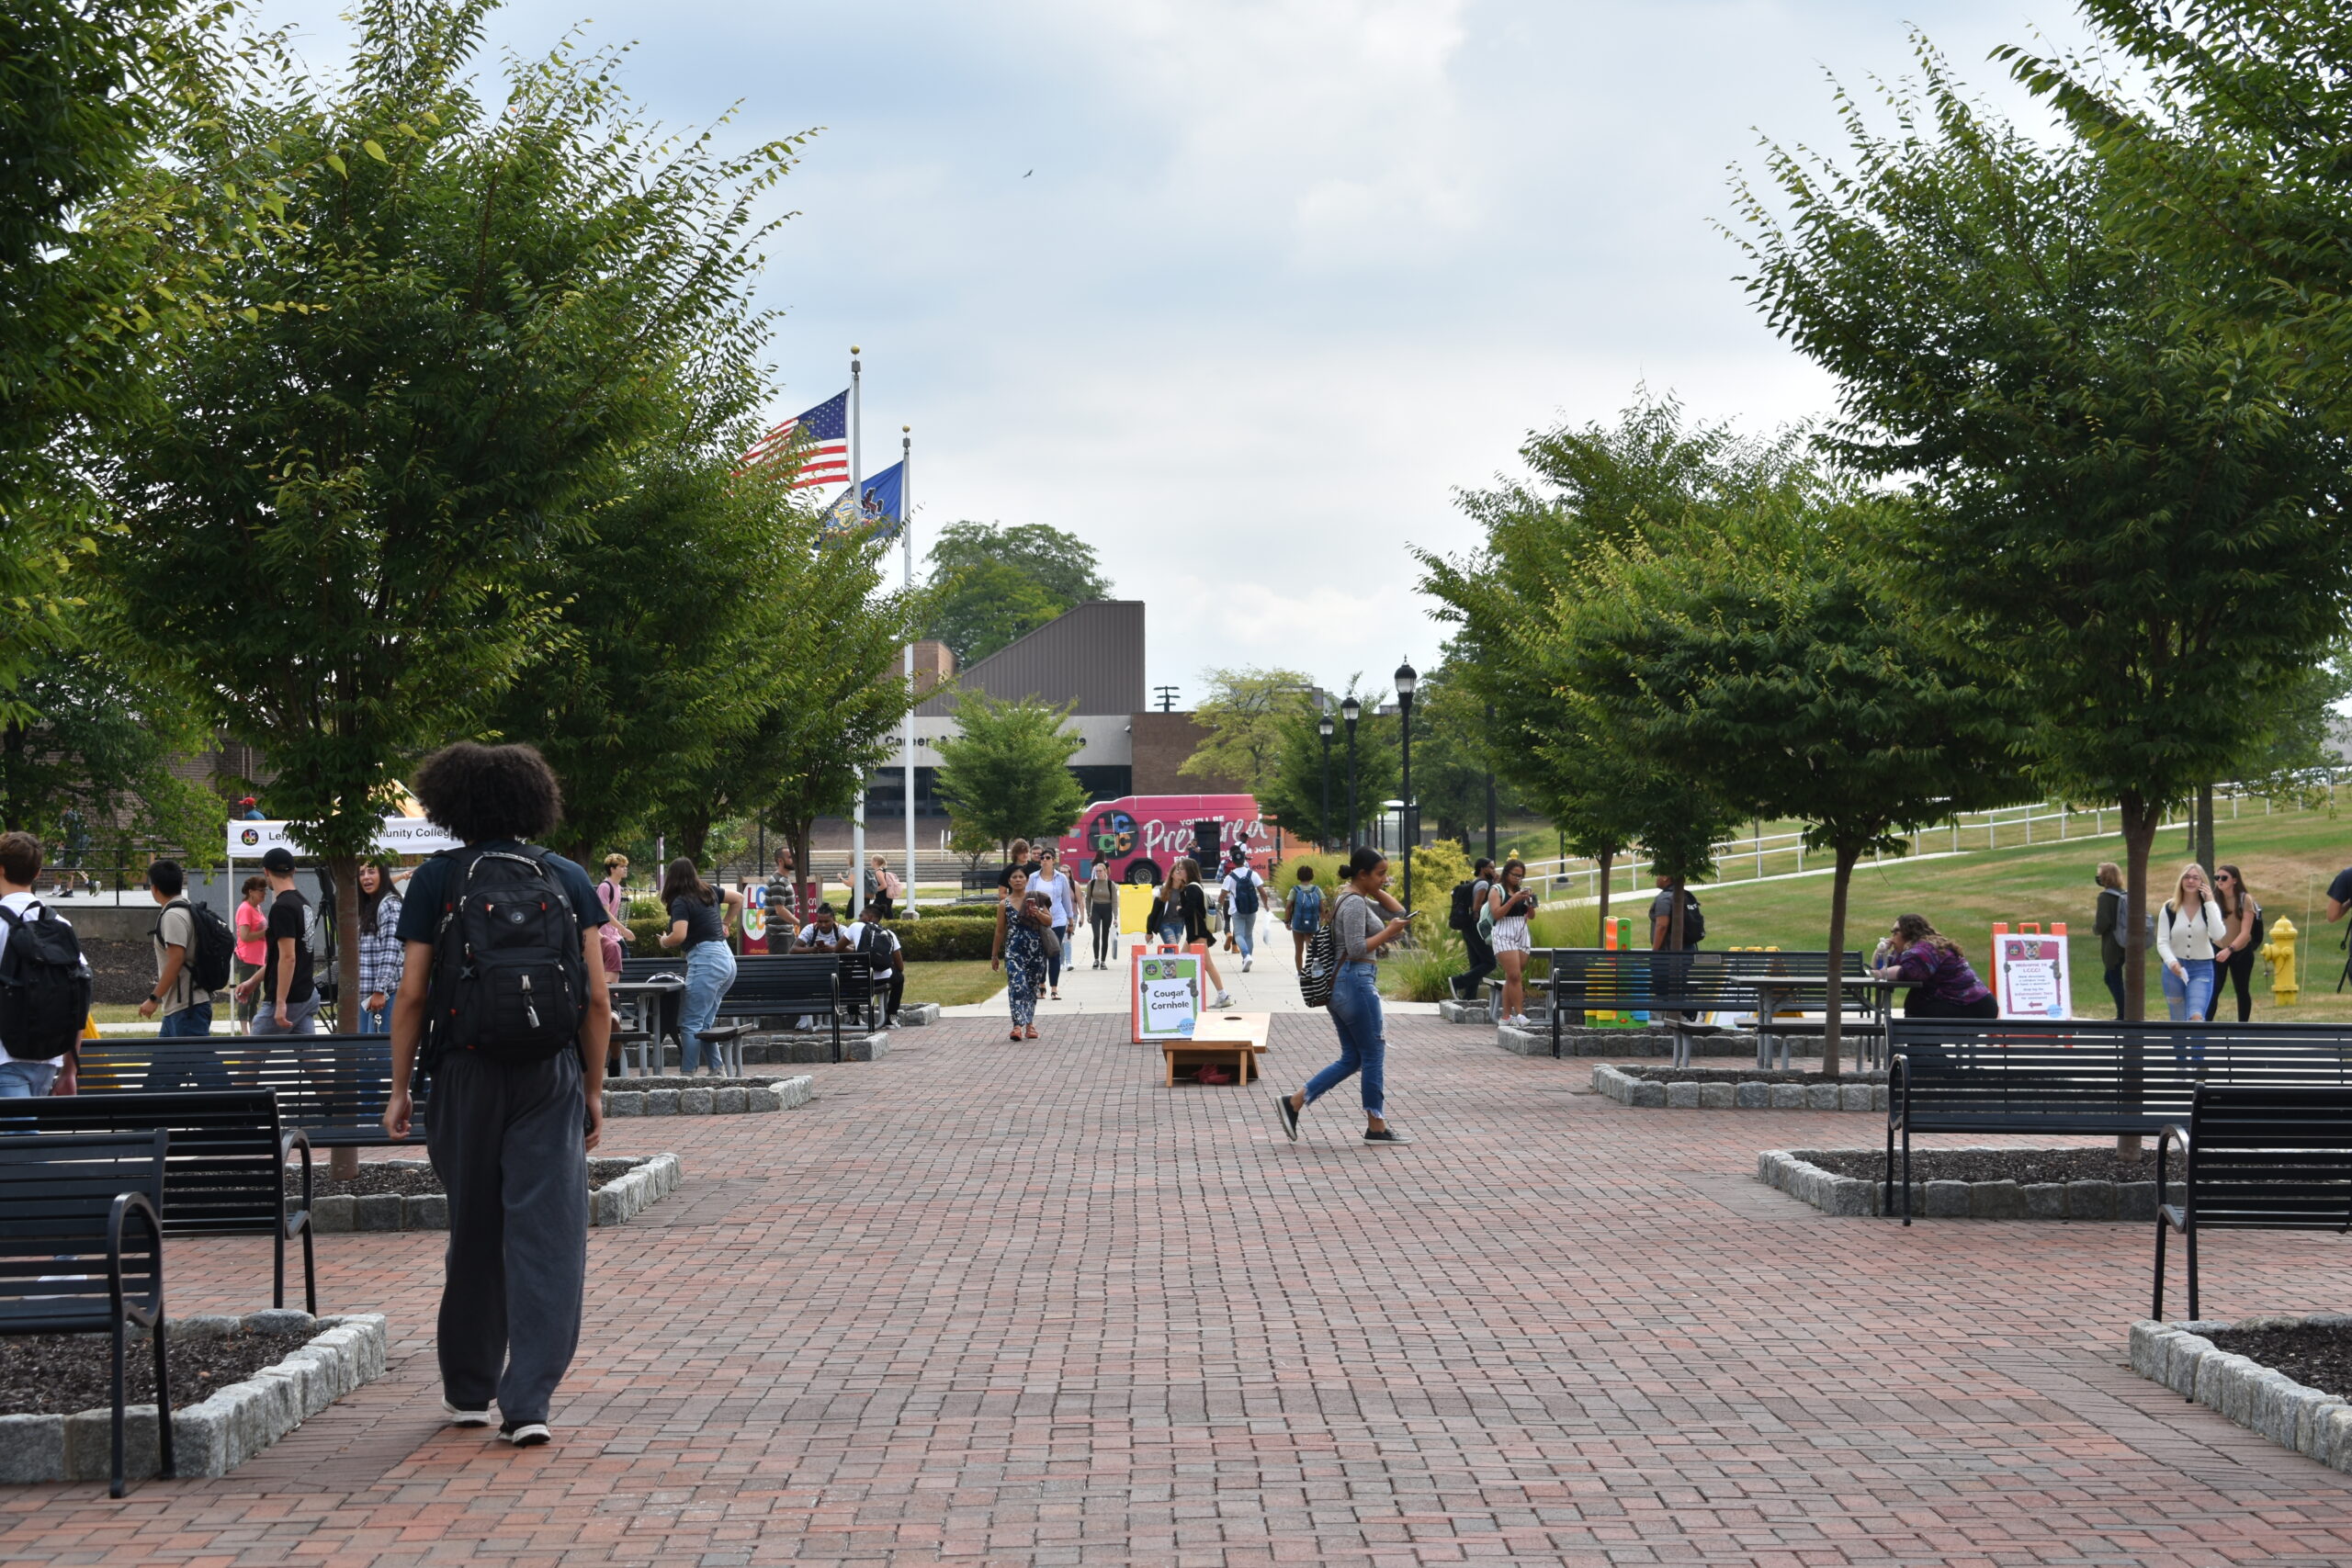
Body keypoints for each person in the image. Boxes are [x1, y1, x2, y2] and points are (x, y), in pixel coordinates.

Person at [381, 740, 610, 1450]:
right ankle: (530, 1398)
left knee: (473, 1227)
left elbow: (413, 993)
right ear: (533, 800)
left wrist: (399, 1087)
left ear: (450, 804)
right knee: (548, 1234)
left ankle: (467, 1386)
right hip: (549, 1072)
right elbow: (599, 1000)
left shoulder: (436, 881)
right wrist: (594, 1089)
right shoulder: (567, 876)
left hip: (465, 1072)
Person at [1271, 847, 1414, 1145]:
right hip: (1355, 982)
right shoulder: (1353, 904)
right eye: (1380, 874)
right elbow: (1358, 947)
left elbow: (1399, 914)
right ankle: (1376, 1125)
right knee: (1373, 1053)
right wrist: (1387, 932)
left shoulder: (1356, 898)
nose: (1386, 880)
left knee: (1353, 1058)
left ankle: (1294, 1103)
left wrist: (1376, 891)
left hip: (1346, 985)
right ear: (1362, 874)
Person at [0, 832, 85, 1098]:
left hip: (4, 1059)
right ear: (38, 873)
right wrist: (70, 1070)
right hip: (47, 1059)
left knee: (21, 1137)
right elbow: (80, 995)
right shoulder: (60, 925)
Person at [659, 859, 741, 1075]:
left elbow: (679, 936)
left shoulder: (680, 901)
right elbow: (738, 899)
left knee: (690, 1023)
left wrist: (664, 941)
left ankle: (688, 1075)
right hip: (727, 959)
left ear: (671, 879)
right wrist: (726, 923)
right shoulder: (709, 890)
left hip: (706, 960)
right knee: (704, 1022)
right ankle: (717, 1070)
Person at [236, 847, 318, 1035]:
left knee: (250, 1058)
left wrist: (280, 1002)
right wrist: (253, 981)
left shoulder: (282, 907)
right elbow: (281, 956)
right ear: (294, 870)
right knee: (310, 1058)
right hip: (306, 994)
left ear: (266, 872)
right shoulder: (303, 903)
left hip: (289, 999)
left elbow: (288, 958)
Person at [138, 860, 214, 1039]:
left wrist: (154, 998)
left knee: (204, 1065)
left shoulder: (173, 915)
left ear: (154, 888)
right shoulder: (187, 907)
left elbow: (176, 959)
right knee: (164, 1067)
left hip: (187, 1008)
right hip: (180, 1006)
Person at [1870, 913, 1997, 1018]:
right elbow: (1884, 967)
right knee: (1918, 1006)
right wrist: (1880, 951)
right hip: (1968, 1003)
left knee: (1919, 1010)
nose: (1892, 937)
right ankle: (1920, 1049)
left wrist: (1881, 973)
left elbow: (1908, 972)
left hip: (1974, 1006)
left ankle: (1919, 1049)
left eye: (1895, 932)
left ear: (1909, 933)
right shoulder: (1915, 950)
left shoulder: (1924, 950)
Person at [2155, 862, 2226, 1022]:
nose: (2191, 881)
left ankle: (2197, 1048)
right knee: (2178, 1019)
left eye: (2196, 878)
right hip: (2174, 969)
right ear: (2181, 881)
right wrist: (2172, 963)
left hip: (2202, 968)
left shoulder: (2210, 908)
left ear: (2203, 883)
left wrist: (2209, 902)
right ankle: (2179, 1048)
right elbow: (2162, 942)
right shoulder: (2169, 908)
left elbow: (2218, 935)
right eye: (2186, 877)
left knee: (2196, 1017)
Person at [991, 867, 1048, 1041]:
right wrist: (995, 955)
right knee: (1017, 985)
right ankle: (1017, 1025)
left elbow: (1049, 920)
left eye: (1021, 877)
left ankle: (1029, 1024)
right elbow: (1000, 931)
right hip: (1014, 950)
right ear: (1009, 882)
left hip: (1035, 950)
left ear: (1026, 880)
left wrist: (1037, 912)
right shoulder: (1004, 904)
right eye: (1014, 877)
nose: (1017, 880)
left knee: (1031, 987)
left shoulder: (1036, 899)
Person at [1171, 856, 1236, 1009]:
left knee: (1207, 964)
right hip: (1193, 934)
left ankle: (1223, 995)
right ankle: (1178, 995)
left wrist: (1180, 911)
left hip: (1198, 933)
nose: (1179, 871)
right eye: (1178, 868)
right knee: (1180, 963)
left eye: (1181, 868)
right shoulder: (1189, 887)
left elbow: (1190, 910)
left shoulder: (1192, 888)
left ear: (1189, 871)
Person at [348, 861, 403, 1034]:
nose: (365, 877)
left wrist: (380, 989)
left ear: (384, 875)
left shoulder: (389, 904)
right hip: (368, 996)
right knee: (366, 1052)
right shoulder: (369, 906)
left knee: (379, 1053)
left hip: (385, 994)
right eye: (361, 873)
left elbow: (391, 949)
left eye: (371, 872)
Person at [2206, 863, 2263, 1023]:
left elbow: (2245, 933)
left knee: (2242, 990)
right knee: (2214, 989)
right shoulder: (2212, 898)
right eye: (2217, 878)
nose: (2220, 881)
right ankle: (2204, 1028)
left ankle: (2242, 1028)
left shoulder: (2245, 899)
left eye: (2224, 878)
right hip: (2218, 949)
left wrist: (2230, 949)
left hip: (2240, 951)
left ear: (2235, 880)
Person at [1487, 860, 1539, 1028]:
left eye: (1521, 876)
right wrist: (1513, 900)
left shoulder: (1521, 891)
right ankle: (1520, 1014)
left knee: (1512, 976)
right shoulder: (1497, 890)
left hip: (1521, 930)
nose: (1518, 879)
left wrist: (1530, 902)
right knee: (1515, 975)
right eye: (1515, 875)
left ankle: (1505, 1017)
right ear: (1506, 873)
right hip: (1504, 932)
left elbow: (1531, 916)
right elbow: (1496, 914)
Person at [842, 902, 906, 1025]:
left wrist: (856, 951)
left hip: (859, 981)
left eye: (861, 916)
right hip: (882, 980)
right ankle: (891, 1016)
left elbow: (837, 948)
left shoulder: (855, 926)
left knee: (850, 974)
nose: (859, 918)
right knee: (899, 978)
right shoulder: (889, 934)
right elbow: (900, 966)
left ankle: (855, 1015)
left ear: (868, 918)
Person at [1449, 857, 1498, 1004]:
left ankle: (1469, 998)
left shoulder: (1476, 882)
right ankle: (1457, 982)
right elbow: (1477, 907)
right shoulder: (1483, 884)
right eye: (1491, 867)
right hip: (1476, 926)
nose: (1494, 871)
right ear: (1482, 868)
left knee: (1476, 964)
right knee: (1490, 962)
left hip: (1468, 927)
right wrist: (1480, 922)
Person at [1031, 847, 1078, 998]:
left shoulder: (1061, 878)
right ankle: (1041, 986)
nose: (1044, 860)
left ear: (1054, 860)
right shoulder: (1033, 878)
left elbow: (1066, 900)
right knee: (1041, 954)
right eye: (1042, 857)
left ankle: (1054, 989)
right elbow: (1028, 898)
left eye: (1048, 857)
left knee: (1054, 953)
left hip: (1057, 919)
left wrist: (1070, 921)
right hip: (1039, 920)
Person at [232, 874, 269, 1031]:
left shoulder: (257, 908)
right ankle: (244, 1030)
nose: (264, 894)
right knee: (245, 993)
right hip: (246, 957)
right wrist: (266, 932)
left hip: (259, 958)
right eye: (261, 890)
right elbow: (245, 936)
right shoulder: (245, 909)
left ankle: (254, 1026)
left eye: (265, 890)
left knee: (255, 995)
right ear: (251, 891)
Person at [2092, 862, 2129, 1020]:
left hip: (2112, 945)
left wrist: (2095, 928)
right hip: (2125, 942)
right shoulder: (2124, 893)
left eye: (2099, 874)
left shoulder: (2105, 897)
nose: (2098, 877)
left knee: (2113, 978)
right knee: (2113, 977)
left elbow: (2102, 923)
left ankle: (2123, 1013)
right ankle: (2125, 1010)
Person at [1220, 849, 1266, 973]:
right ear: (1244, 860)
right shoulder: (1253, 874)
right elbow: (1262, 892)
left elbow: (1223, 895)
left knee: (1239, 934)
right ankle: (1247, 959)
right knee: (1249, 935)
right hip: (1252, 910)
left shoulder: (1230, 877)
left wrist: (1218, 908)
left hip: (1237, 910)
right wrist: (1266, 906)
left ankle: (1246, 956)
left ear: (1233, 861)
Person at [595, 854, 629, 976]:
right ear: (612, 869)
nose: (625, 869)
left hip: (614, 935)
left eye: (626, 866)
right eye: (621, 866)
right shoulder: (605, 887)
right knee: (614, 968)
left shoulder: (618, 887)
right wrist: (624, 930)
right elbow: (605, 913)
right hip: (604, 935)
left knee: (626, 964)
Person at [1286, 863, 1325, 968]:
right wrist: (1323, 920)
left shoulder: (1295, 890)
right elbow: (1322, 907)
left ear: (1298, 876)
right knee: (1311, 948)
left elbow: (1288, 906)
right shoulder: (1316, 890)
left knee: (1298, 950)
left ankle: (1299, 974)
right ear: (1311, 876)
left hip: (1298, 924)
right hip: (1312, 923)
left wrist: (1287, 922)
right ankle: (1311, 971)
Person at [1649, 874, 1702, 950]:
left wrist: (1655, 951)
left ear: (1665, 877)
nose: (1657, 878)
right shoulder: (1685, 894)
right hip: (1690, 948)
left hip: (1669, 951)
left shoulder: (1664, 898)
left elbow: (1662, 926)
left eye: (1658, 875)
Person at [1085, 859, 1116, 969]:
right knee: (1096, 935)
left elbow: (1114, 901)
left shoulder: (1110, 884)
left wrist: (1116, 917)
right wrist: (1088, 913)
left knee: (1105, 936)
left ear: (1105, 871)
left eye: (1100, 871)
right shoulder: (1092, 883)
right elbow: (1088, 899)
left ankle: (1103, 961)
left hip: (1107, 910)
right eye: (1096, 871)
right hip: (1096, 910)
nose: (1098, 873)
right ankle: (1096, 959)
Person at [867, 853, 902, 920]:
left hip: (882, 897)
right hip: (886, 896)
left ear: (876, 862)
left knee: (873, 912)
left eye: (871, 861)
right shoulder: (881, 870)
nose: (870, 863)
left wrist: (874, 890)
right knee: (887, 913)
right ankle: (892, 926)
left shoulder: (878, 872)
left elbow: (884, 885)